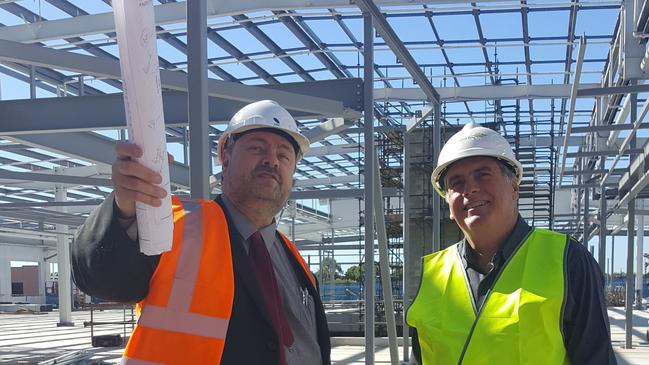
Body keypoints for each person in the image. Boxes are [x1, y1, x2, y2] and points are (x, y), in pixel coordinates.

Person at [71, 100, 331, 365]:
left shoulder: (293, 258)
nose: (271, 160)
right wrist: (124, 206)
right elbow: (104, 279)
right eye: (257, 148)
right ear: (225, 156)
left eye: (284, 155)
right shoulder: (179, 223)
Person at [406, 123, 616, 364]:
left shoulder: (568, 260)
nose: (471, 189)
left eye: (483, 175)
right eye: (456, 183)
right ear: (448, 204)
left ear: (514, 188)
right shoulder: (433, 273)